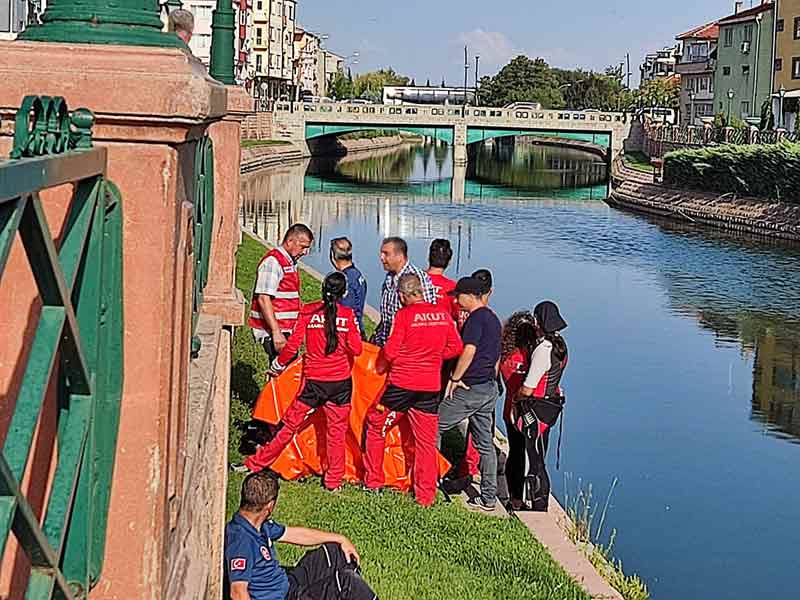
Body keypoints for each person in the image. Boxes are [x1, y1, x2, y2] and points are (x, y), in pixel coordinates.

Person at [243, 273, 363, 491]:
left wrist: (277, 367)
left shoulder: (308, 312)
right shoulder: (348, 316)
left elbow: (292, 346)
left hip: (313, 383)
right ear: (344, 293)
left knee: (288, 427)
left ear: (322, 288)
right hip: (340, 384)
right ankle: (333, 481)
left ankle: (256, 463)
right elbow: (357, 349)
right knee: (336, 432)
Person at [363, 274, 463, 506]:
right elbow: (455, 347)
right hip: (429, 388)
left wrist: (406, 358)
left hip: (401, 385)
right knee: (426, 442)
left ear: (402, 295)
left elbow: (390, 352)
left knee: (375, 425)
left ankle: (374, 482)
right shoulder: (443, 314)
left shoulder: (404, 316)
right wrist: (434, 357)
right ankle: (425, 496)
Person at [225, 471, 377, 600]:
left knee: (336, 552)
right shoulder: (240, 541)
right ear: (270, 506)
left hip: (289, 584)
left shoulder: (259, 525)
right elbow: (238, 592)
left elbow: (295, 534)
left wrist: (340, 538)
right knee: (346, 583)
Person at [439, 277, 502, 511]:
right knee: (485, 444)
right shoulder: (493, 319)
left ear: (471, 295)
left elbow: (469, 350)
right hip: (488, 388)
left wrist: (455, 379)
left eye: (459, 296)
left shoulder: (476, 319)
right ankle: (488, 497)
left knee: (434, 426)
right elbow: (495, 356)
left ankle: (432, 480)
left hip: (471, 388)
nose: (455, 300)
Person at [514, 301, 568, 512]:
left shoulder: (543, 349)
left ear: (539, 322)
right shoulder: (560, 345)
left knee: (533, 459)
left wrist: (516, 399)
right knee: (539, 454)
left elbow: (528, 388)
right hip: (549, 408)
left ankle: (537, 505)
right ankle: (538, 502)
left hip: (535, 409)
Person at [249, 224, 314, 361]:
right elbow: (263, 298)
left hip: (286, 329)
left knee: (285, 374)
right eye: (302, 246)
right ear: (290, 241)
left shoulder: (290, 262)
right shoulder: (273, 262)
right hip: (275, 331)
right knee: (283, 374)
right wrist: (276, 332)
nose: (305, 252)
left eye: (307, 248)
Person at [498, 312, 538, 512]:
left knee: (515, 453)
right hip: (529, 413)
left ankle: (512, 496)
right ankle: (526, 497)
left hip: (509, 412)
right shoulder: (533, 357)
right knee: (531, 455)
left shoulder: (505, 356)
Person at [370, 237, 436, 347]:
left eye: (386, 254)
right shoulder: (390, 277)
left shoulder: (417, 278)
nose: (381, 258)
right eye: (381, 254)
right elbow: (388, 316)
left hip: (404, 349)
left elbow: (426, 316)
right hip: (386, 345)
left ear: (400, 256)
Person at [329, 237, 367, 335]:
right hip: (358, 328)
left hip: (349, 334)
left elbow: (345, 312)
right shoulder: (357, 275)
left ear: (333, 256)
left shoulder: (345, 280)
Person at [425, 239, 459, 321]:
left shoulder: (414, 280)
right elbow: (457, 314)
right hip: (442, 330)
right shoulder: (452, 287)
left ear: (428, 257)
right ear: (449, 261)